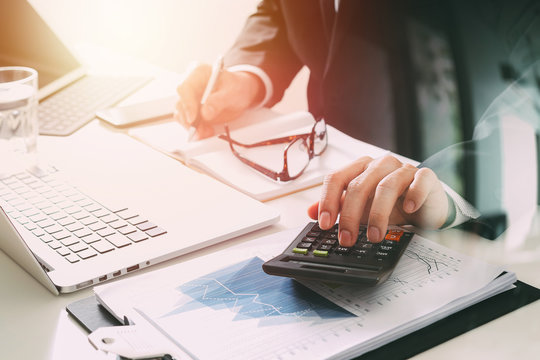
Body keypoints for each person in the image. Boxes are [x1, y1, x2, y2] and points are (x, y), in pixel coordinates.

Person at [174, 0, 540, 244]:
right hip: (318, 175)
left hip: (460, 215)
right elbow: (282, 12)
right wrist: (246, 77)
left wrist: (452, 186)